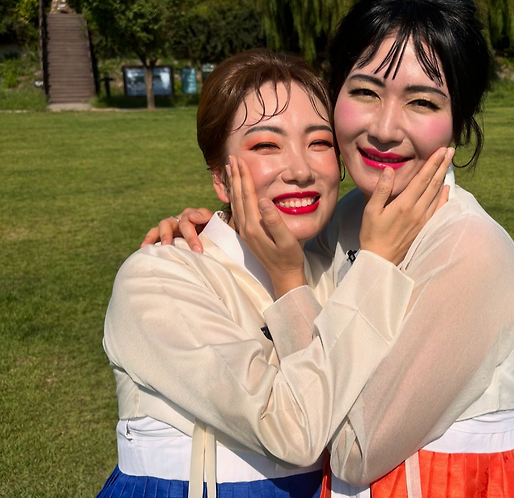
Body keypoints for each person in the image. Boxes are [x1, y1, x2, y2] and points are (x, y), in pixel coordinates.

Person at [145, 0, 514, 496]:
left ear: (459, 123)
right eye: (365, 92)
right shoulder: (344, 219)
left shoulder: (469, 247)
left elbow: (350, 450)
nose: (384, 129)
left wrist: (291, 284)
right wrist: (219, 230)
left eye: (422, 102)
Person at [98, 48, 451, 498]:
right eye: (266, 145)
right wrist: (362, 270)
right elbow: (294, 434)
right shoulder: (158, 278)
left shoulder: (338, 267)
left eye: (319, 143)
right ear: (220, 177)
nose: (301, 170)